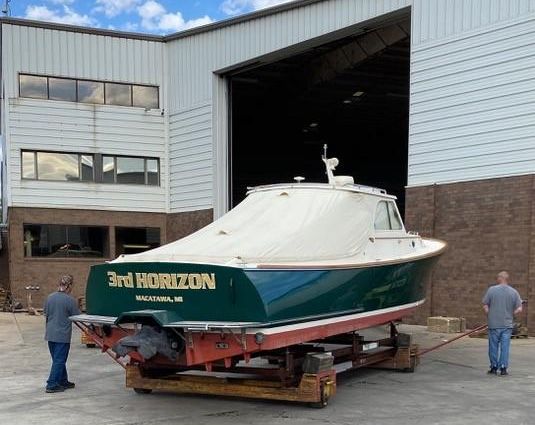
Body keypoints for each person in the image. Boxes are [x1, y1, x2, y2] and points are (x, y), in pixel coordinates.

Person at [43, 274, 81, 393]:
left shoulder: (49, 297)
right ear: (69, 286)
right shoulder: (70, 300)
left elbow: (46, 314)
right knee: (59, 360)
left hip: (50, 334)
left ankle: (63, 380)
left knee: (57, 359)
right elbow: (77, 316)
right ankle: (52, 384)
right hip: (62, 335)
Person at [482, 271, 522, 376]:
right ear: (507, 279)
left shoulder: (491, 290)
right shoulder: (514, 292)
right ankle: (503, 368)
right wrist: (512, 313)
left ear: (500, 278)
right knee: (505, 347)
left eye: (497, 277)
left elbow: (485, 305)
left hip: (494, 324)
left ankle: (494, 367)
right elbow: (519, 308)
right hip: (507, 325)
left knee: (493, 347)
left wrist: (489, 313)